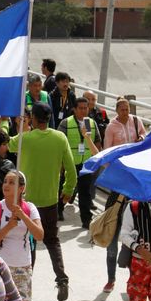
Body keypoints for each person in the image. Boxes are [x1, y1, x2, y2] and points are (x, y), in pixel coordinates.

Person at [8, 102, 76, 301]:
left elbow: (8, 143)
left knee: (28, 242)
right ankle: (62, 279)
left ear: (34, 118)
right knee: (52, 240)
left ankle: (27, 280)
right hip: (50, 200)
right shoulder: (60, 137)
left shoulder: (24, 139)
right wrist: (67, 191)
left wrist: (22, 126)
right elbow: (71, 171)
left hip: (26, 202)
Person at [0, 170, 44, 301]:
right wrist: (8, 226)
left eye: (12, 182)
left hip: (22, 267)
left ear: (21, 188)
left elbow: (39, 235)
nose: (6, 185)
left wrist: (22, 215)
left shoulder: (30, 208)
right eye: (5, 181)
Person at [103, 97, 147, 294]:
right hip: (119, 183)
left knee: (134, 237)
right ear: (116, 110)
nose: (125, 112)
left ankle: (133, 279)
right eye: (122, 109)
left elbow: (146, 140)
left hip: (135, 180)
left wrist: (141, 141)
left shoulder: (136, 122)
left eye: (127, 109)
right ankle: (111, 278)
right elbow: (107, 152)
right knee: (112, 238)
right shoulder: (111, 127)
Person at [58, 97, 100, 228]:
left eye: (85, 108)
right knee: (64, 188)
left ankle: (86, 219)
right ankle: (59, 209)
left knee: (85, 192)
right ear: (74, 109)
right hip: (69, 162)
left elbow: (97, 140)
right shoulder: (66, 122)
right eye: (80, 108)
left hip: (86, 163)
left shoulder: (91, 123)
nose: (83, 111)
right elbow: (59, 143)